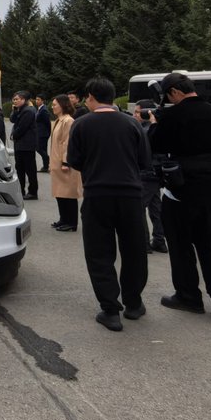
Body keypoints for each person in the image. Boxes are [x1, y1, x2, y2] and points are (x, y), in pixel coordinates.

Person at [64, 77, 150, 331]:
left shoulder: (81, 125)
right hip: (131, 195)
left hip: (97, 194)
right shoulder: (132, 123)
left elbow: (75, 161)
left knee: (99, 252)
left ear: (90, 96)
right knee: (134, 250)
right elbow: (144, 161)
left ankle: (110, 309)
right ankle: (134, 303)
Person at [148, 72, 211, 317]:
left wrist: (154, 125)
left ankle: (188, 295)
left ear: (174, 92)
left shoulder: (173, 115)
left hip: (180, 186)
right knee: (207, 242)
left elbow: (156, 146)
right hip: (210, 185)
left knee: (181, 243)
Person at [132, 101, 168, 255]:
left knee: (139, 208)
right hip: (157, 173)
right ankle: (159, 241)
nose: (135, 115)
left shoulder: (146, 130)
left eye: (138, 112)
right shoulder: (156, 128)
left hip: (146, 173)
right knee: (156, 208)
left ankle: (144, 243)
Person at [48, 95, 81, 231]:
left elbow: (67, 143)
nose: (53, 107)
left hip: (64, 163)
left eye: (55, 104)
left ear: (63, 105)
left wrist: (66, 162)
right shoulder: (59, 120)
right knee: (60, 193)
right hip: (57, 162)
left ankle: (71, 222)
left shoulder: (68, 121)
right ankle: (63, 219)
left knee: (68, 194)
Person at [10, 91, 38, 200]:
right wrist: (15, 110)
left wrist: (14, 135)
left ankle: (33, 192)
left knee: (30, 170)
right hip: (20, 145)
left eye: (18, 99)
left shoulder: (29, 111)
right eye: (14, 99)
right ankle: (21, 191)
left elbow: (22, 128)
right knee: (20, 169)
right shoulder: (20, 109)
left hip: (27, 146)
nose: (15, 101)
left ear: (24, 100)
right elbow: (12, 120)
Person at [34, 94, 51, 170]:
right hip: (40, 133)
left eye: (38, 99)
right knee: (42, 149)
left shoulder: (44, 110)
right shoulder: (39, 109)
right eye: (36, 99)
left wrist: (47, 133)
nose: (36, 101)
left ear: (42, 101)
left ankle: (48, 161)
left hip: (43, 134)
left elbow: (48, 123)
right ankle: (46, 166)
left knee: (39, 149)